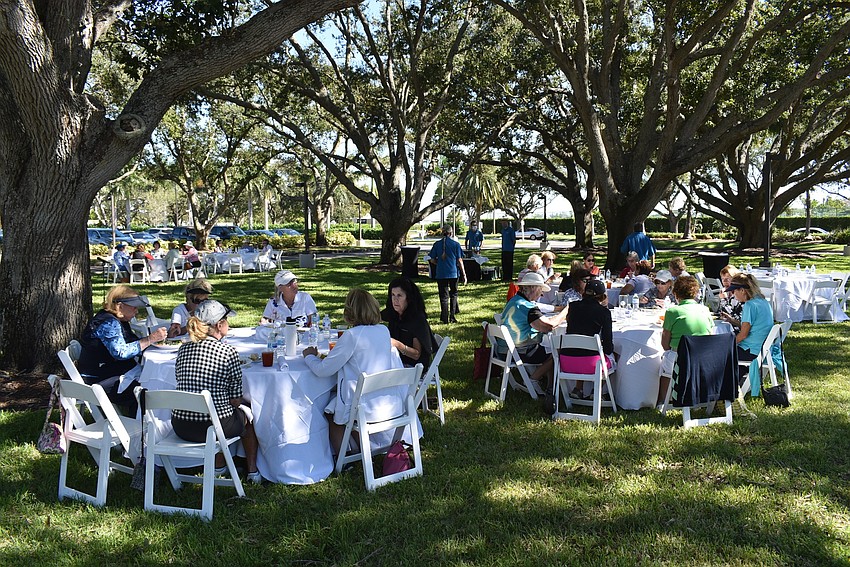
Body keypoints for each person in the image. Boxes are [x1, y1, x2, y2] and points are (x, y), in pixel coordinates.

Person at [302, 288, 405, 457]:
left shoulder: (351, 335)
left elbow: (323, 370)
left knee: (329, 409)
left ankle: (345, 455)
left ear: (349, 311)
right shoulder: (383, 331)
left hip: (365, 407)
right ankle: (360, 450)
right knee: (341, 403)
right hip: (389, 402)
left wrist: (310, 357)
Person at [171, 300, 261, 484]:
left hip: (181, 425)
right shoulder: (227, 351)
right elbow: (235, 399)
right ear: (219, 325)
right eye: (227, 320)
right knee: (249, 415)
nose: (229, 323)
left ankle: (219, 466)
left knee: (217, 411)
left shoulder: (183, 349)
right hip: (212, 427)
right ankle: (253, 470)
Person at [77, 285, 167, 414]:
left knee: (151, 380)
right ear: (120, 306)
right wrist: (150, 339)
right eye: (134, 307)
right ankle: (141, 427)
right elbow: (120, 352)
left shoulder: (118, 320)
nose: (136, 311)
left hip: (108, 373)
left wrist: (153, 339)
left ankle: (141, 423)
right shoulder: (108, 323)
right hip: (97, 380)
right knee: (147, 392)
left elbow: (132, 342)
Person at [499, 272, 569, 397]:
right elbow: (548, 326)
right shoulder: (528, 307)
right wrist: (565, 312)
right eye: (540, 289)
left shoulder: (514, 300)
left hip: (503, 350)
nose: (542, 294)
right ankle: (535, 380)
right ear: (532, 288)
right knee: (557, 351)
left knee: (548, 348)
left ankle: (550, 387)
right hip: (519, 351)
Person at [657, 276, 715, 405]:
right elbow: (710, 333)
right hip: (703, 357)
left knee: (664, 368)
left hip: (680, 358)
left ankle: (663, 401)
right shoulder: (705, 310)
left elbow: (665, 344)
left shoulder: (672, 311)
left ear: (675, 293)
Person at [559, 279, 615, 400]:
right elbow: (608, 346)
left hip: (565, 362)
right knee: (614, 355)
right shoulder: (604, 312)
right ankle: (597, 390)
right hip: (591, 365)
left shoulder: (573, 307)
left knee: (581, 349)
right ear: (603, 296)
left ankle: (578, 388)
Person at [381, 277, 434, 369]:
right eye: (393, 295)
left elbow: (416, 354)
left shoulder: (417, 320)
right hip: (396, 361)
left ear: (408, 298)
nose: (395, 300)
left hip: (413, 367)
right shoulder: (394, 313)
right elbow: (372, 318)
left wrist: (397, 344)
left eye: (399, 295)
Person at [727, 273, 774, 377]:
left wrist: (726, 345)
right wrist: (732, 321)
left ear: (742, 290)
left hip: (752, 350)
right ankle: (736, 383)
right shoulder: (762, 301)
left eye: (734, 291)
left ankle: (727, 386)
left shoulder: (750, 305)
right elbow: (754, 326)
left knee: (720, 354)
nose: (733, 294)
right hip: (764, 348)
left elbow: (743, 335)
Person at [428, 224, 467, 323]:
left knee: (443, 296)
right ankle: (452, 316)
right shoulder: (455, 244)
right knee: (453, 294)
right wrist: (464, 274)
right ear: (451, 233)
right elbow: (459, 260)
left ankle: (444, 317)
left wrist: (439, 263)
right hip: (453, 273)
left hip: (441, 273)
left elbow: (432, 260)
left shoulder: (437, 244)